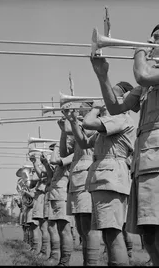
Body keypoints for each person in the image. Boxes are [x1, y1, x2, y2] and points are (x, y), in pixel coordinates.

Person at [91, 22, 159, 266]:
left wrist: (139, 51)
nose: (150, 40)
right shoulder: (150, 80)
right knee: (149, 238)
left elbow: (143, 74)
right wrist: (102, 75)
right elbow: (116, 107)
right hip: (145, 160)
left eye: (157, 37)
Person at [63, 81, 136, 266]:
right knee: (107, 233)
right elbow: (84, 143)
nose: (107, 98)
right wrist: (72, 121)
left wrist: (96, 108)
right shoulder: (110, 122)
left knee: (113, 235)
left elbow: (88, 122)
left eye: (113, 95)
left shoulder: (120, 118)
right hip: (104, 178)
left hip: (111, 178)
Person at [62, 104, 101, 266]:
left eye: (83, 107)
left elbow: (85, 135)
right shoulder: (79, 126)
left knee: (89, 227)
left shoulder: (94, 124)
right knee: (81, 229)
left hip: (87, 179)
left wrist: (72, 122)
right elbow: (64, 154)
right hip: (76, 180)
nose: (79, 109)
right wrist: (63, 131)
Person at [44, 125, 75, 266]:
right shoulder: (64, 156)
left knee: (64, 229)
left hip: (62, 195)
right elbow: (51, 175)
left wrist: (57, 145)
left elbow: (54, 159)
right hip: (55, 195)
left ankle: (64, 261)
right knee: (52, 227)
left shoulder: (71, 155)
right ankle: (55, 256)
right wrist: (43, 163)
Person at [28, 153, 51, 257]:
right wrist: (35, 163)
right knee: (42, 226)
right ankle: (42, 250)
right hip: (40, 196)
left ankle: (44, 251)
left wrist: (36, 163)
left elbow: (40, 174)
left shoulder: (49, 165)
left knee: (43, 227)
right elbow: (38, 176)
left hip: (42, 196)